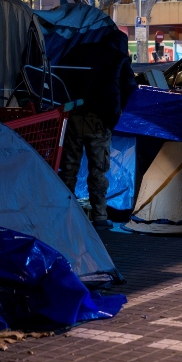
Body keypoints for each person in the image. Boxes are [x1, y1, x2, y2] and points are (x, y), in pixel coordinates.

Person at [57, 29, 136, 224]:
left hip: (73, 115)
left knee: (68, 169)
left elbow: (60, 76)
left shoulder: (81, 50)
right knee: (98, 171)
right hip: (99, 120)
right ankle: (100, 217)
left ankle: (64, 214)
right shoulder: (119, 59)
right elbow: (130, 89)